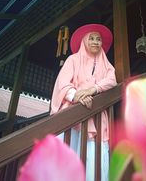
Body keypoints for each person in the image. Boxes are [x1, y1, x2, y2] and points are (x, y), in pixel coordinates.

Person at [51, 23, 117, 181]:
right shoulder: (72, 60)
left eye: (98, 39)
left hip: (96, 116)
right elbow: (63, 84)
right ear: (84, 42)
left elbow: (112, 80)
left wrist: (92, 90)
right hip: (72, 115)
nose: (96, 42)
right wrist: (78, 95)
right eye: (92, 38)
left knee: (92, 162)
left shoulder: (106, 64)